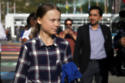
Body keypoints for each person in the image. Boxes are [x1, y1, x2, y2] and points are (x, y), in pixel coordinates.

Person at [13, 3, 72, 83]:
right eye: (52, 20)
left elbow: (71, 76)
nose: (57, 24)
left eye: (58, 20)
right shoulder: (28, 47)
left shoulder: (64, 45)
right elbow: (19, 77)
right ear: (39, 20)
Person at [73, 6, 114, 83]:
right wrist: (76, 64)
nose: (92, 17)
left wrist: (110, 65)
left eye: (95, 15)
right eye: (90, 15)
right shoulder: (82, 29)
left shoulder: (106, 29)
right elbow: (77, 48)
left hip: (102, 64)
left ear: (100, 17)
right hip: (87, 64)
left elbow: (109, 47)